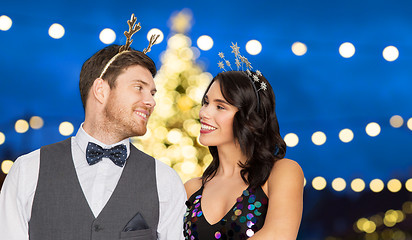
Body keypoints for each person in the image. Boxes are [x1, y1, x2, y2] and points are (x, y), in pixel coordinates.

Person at [0, 14, 186, 240]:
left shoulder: (166, 181)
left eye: (153, 92)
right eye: (139, 88)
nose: (151, 101)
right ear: (101, 91)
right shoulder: (27, 171)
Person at [183, 50, 304, 239]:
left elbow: (280, 234)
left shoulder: (282, 173)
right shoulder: (191, 189)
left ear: (249, 117)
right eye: (206, 103)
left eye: (220, 106)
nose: (204, 113)